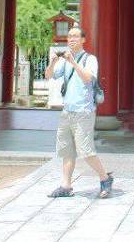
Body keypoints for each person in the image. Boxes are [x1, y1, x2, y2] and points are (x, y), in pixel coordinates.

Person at [44, 26, 114, 199]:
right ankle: (66, 186)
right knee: (66, 150)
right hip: (67, 111)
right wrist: (53, 62)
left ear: (83, 40)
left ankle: (105, 178)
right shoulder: (63, 61)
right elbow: (48, 76)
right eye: (69, 37)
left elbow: (88, 78)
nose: (71, 39)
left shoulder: (90, 59)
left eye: (75, 36)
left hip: (84, 111)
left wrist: (73, 62)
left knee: (86, 151)